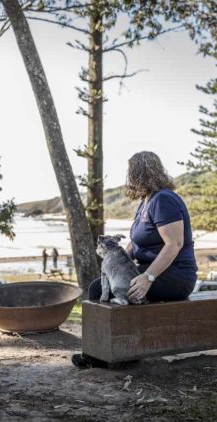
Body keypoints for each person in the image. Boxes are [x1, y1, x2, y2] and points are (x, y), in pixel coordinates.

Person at [73, 151, 197, 368]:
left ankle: (120, 355)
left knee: (109, 291)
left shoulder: (164, 200)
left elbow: (174, 244)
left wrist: (148, 277)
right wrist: (116, 260)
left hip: (175, 275)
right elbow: (135, 243)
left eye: (131, 172)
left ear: (139, 172)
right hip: (149, 269)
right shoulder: (145, 202)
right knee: (98, 288)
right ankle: (100, 354)